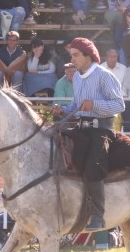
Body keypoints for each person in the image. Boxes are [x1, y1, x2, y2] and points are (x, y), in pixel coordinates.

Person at [52, 37, 125, 230]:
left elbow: (119, 105)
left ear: (88, 56)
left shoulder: (104, 75)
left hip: (102, 130)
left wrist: (95, 105)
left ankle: (98, 215)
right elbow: (77, 106)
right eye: (71, 55)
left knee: (94, 164)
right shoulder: (76, 77)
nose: (73, 59)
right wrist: (63, 109)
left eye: (76, 55)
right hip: (82, 128)